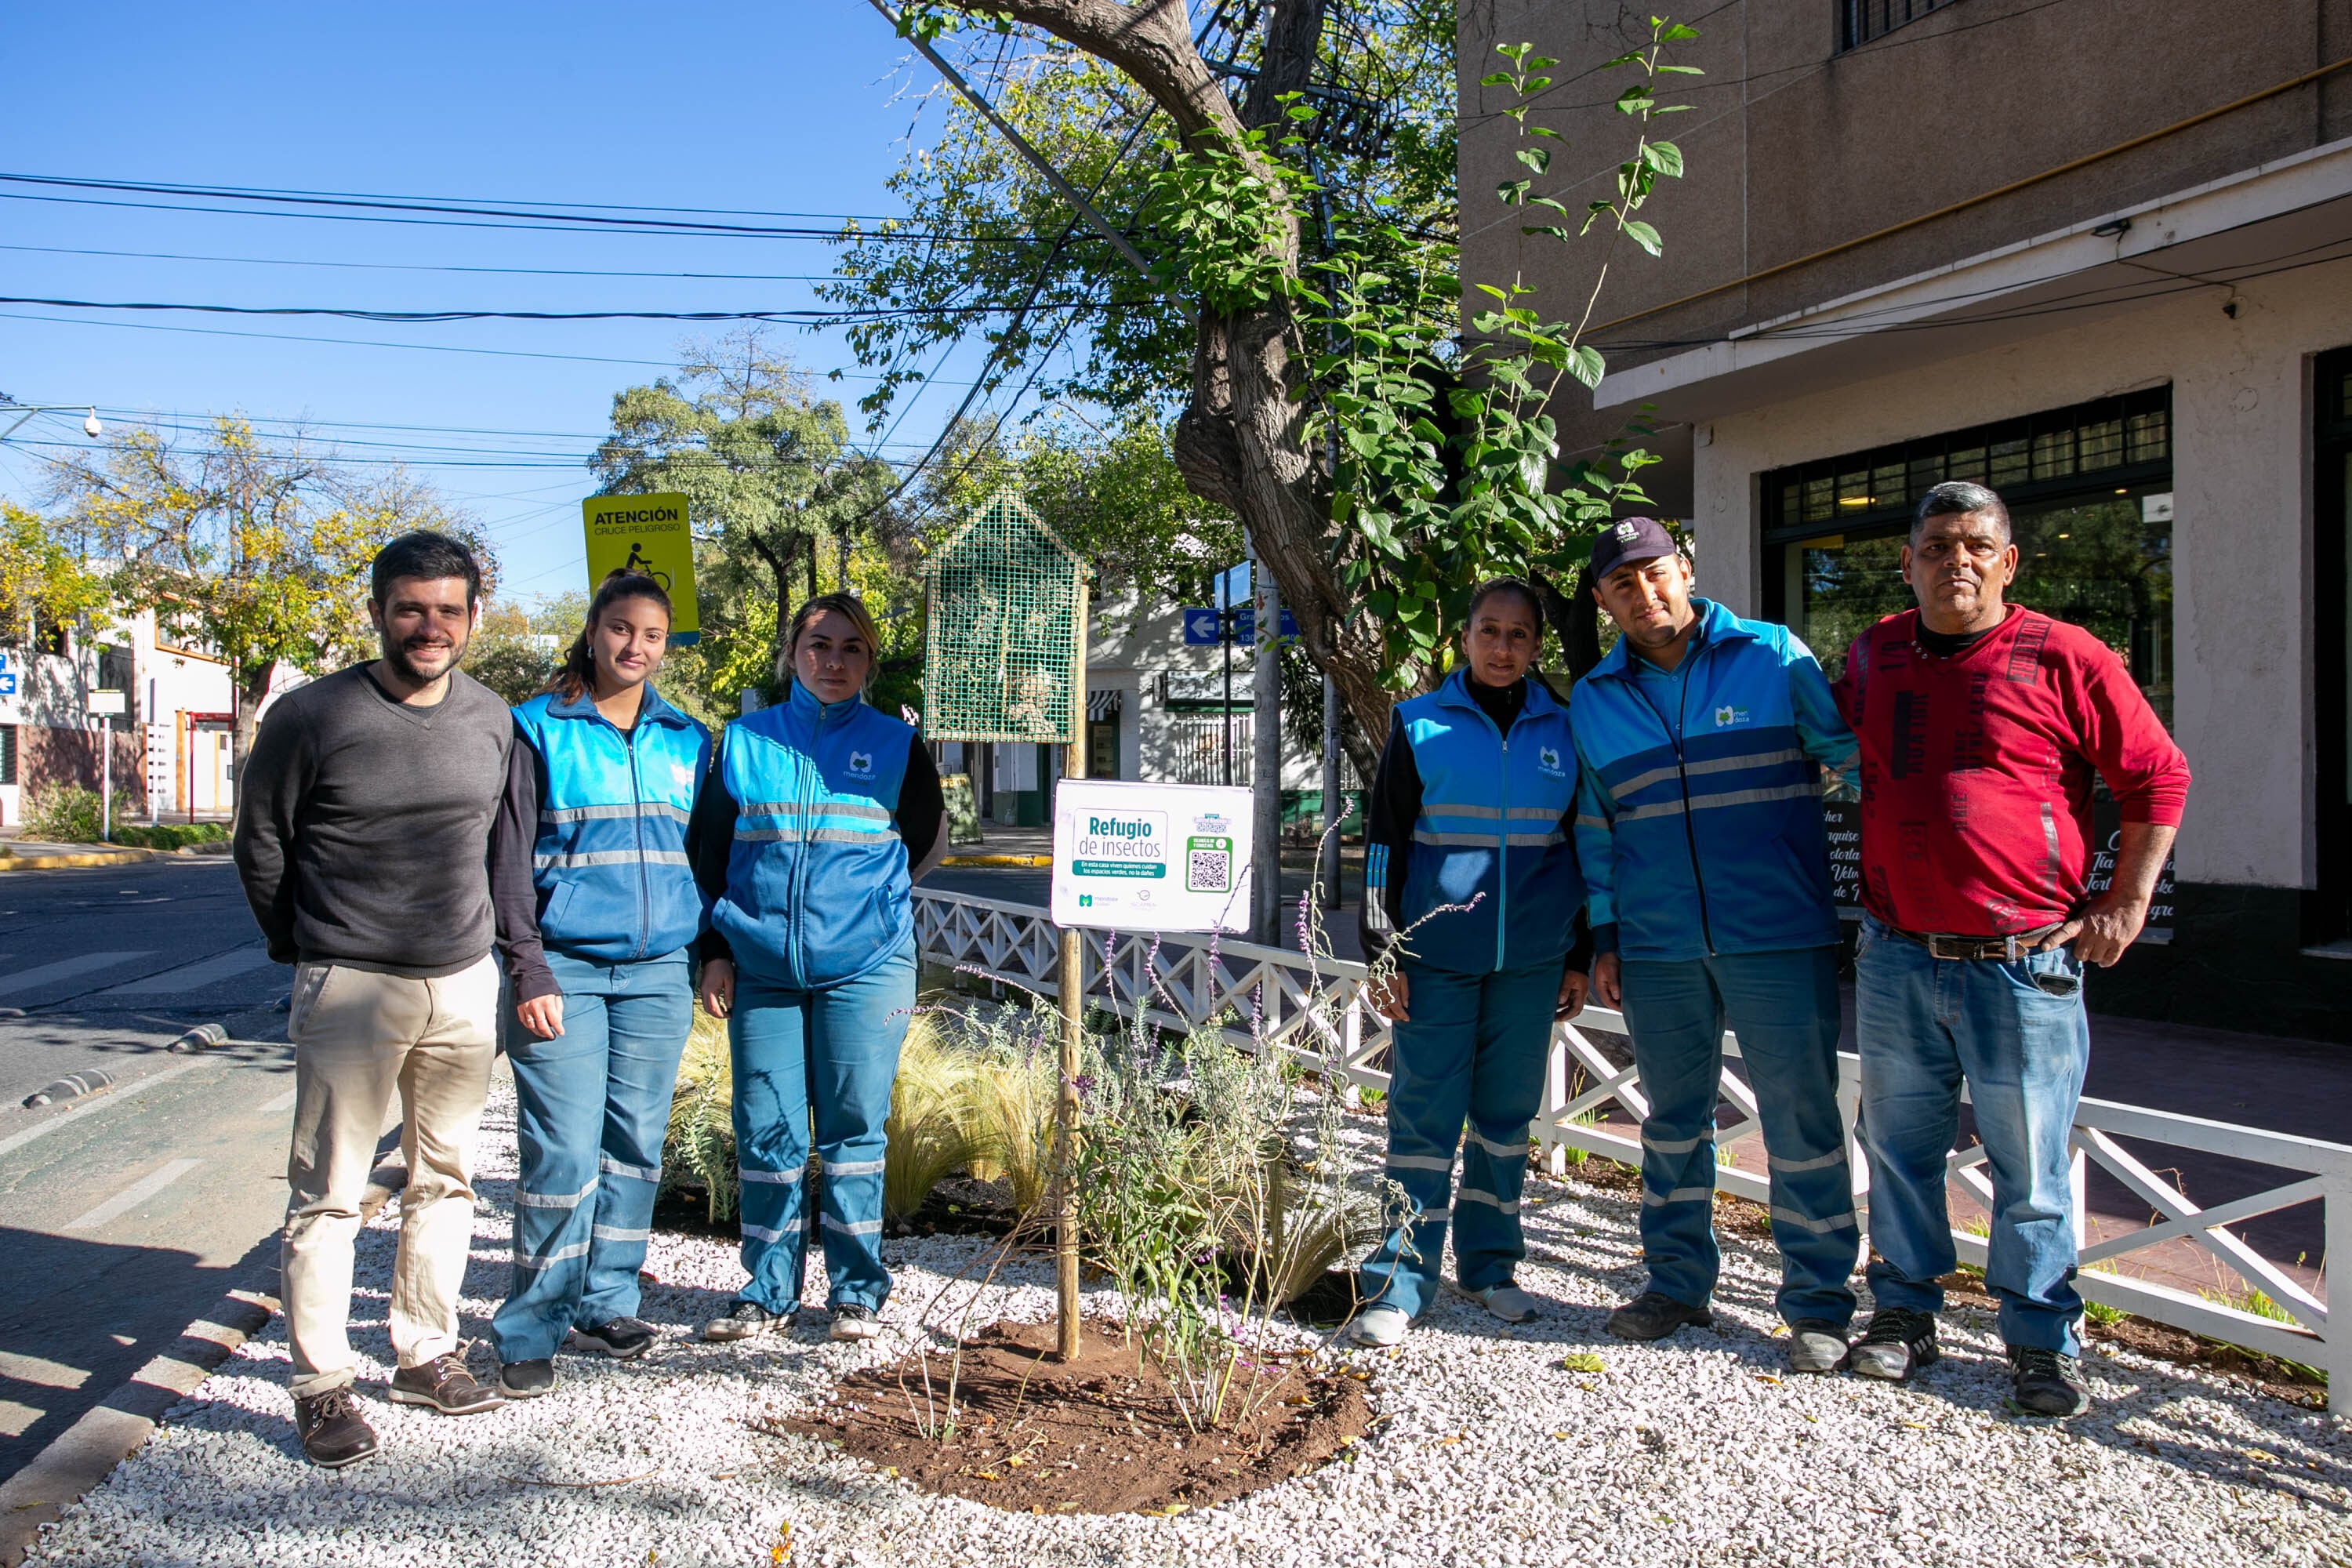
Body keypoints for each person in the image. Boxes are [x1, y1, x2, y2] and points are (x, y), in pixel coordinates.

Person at [1833, 481, 2189, 1417]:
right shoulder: (1874, 655)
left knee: (2028, 1170)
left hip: (2022, 964)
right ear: (1908, 561)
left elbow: (2157, 774)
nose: (1958, 560)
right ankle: (1903, 1315)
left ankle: (2040, 1339)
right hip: (1899, 954)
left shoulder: (2064, 655)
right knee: (1899, 1151)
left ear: (2008, 561)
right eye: (1937, 544)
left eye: (1976, 545)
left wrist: (2128, 899)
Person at [234, 531, 513, 1468]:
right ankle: (321, 1385)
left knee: (448, 1178)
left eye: (447, 608)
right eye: (409, 608)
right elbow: (262, 842)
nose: (429, 626)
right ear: (377, 612)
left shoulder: (491, 718)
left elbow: (494, 848)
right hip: (353, 982)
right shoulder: (312, 715)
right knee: (330, 1195)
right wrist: (306, 947)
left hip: (464, 982)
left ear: (473, 615)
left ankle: (425, 1349)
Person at [1570, 517, 1863, 1372]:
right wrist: (1607, 933)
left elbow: (1850, 762)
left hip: (1779, 931)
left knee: (1801, 1120)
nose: (1644, 593)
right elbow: (1598, 826)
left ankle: (1817, 1302)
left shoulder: (1774, 655)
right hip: (1657, 944)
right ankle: (1676, 1281)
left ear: (1686, 570)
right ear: (1603, 601)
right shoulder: (1594, 696)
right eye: (1622, 584)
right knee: (1671, 1120)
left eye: (1656, 574)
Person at [685, 593, 948, 1344]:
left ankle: (857, 1291)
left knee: (854, 1128)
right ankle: (766, 1290)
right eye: (818, 645)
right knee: (767, 1130)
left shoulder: (898, 746)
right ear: (792, 653)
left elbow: (923, 843)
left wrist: (870, 912)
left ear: (869, 660)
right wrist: (715, 954)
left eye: (851, 649)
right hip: (761, 968)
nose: (833, 662)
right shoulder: (742, 741)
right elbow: (708, 858)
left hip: (867, 968)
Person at [1350, 578, 1591, 1348]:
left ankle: (1490, 1267)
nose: (1503, 647)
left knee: (1505, 1117)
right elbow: (1384, 840)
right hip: (1435, 955)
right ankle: (1397, 1279)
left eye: (1520, 635)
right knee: (1423, 1115)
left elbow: (1583, 847)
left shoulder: (1566, 726)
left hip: (1532, 959)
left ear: (1537, 645)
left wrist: (1578, 953)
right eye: (1490, 631)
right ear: (1464, 637)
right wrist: (1382, 946)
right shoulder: (1419, 724)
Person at [487, 571, 711, 1398]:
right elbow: (506, 860)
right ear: (593, 630)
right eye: (621, 629)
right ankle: (531, 1323)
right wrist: (527, 963)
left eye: (652, 634)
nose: (636, 647)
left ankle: (608, 1298)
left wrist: (709, 948)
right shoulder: (536, 728)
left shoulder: (688, 737)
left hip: (658, 972)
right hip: (564, 971)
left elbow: (706, 860)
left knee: (634, 1144)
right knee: (562, 1150)